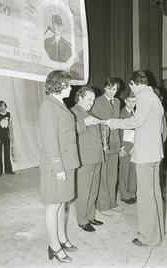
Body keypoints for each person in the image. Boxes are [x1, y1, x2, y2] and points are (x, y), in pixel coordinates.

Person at [107, 70, 164, 247]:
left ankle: (148, 238)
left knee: (145, 197)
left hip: (146, 155)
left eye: (131, 86)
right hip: (154, 153)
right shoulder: (154, 97)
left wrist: (113, 122)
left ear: (133, 83)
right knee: (154, 194)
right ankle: (157, 233)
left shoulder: (145, 96)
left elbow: (135, 122)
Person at [38, 70, 79, 263]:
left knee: (62, 202)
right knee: (53, 205)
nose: (71, 88)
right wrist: (58, 167)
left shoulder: (58, 103)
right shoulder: (48, 106)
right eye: (68, 85)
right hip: (56, 165)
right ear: (58, 85)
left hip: (66, 162)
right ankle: (54, 246)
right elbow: (49, 140)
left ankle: (62, 238)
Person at [70, 86, 104, 232]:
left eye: (93, 100)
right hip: (84, 158)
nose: (92, 102)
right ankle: (82, 220)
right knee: (84, 191)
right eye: (89, 99)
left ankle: (90, 216)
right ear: (80, 98)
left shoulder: (89, 112)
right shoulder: (71, 112)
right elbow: (68, 130)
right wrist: (84, 123)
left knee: (93, 189)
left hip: (96, 156)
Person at [91, 77, 122, 216]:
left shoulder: (117, 102)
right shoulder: (97, 101)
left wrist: (120, 144)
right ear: (105, 88)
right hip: (102, 143)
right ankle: (103, 205)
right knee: (103, 175)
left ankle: (111, 202)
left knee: (112, 175)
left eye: (115, 89)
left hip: (115, 143)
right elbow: (94, 123)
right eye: (110, 89)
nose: (112, 92)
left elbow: (119, 123)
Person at [118, 94, 137, 204]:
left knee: (134, 171)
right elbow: (118, 130)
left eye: (133, 102)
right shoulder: (121, 113)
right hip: (125, 145)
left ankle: (132, 193)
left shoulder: (137, 113)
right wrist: (120, 147)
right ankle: (124, 195)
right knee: (124, 171)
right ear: (125, 101)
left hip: (135, 145)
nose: (131, 104)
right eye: (129, 101)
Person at [0, 100, 15, 177]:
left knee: (7, 154)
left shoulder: (9, 114)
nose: (2, 107)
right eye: (0, 106)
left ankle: (8, 170)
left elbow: (10, 126)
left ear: (5, 106)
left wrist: (11, 136)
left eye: (3, 105)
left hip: (6, 136)